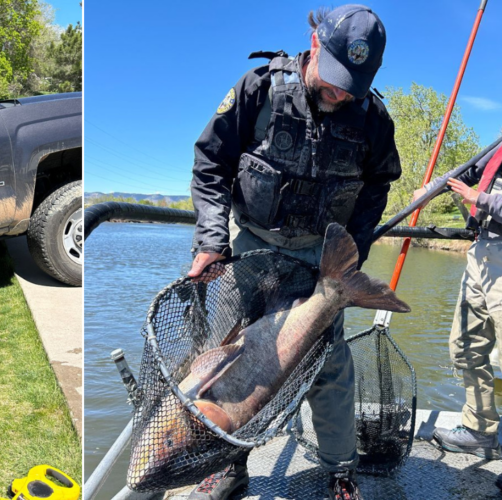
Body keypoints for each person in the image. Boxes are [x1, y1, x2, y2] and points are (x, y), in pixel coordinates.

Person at [186, 5, 401, 500]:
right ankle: (228, 466)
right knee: (232, 366)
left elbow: (378, 185)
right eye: (334, 77)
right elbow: (210, 165)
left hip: (319, 259)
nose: (340, 92)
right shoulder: (257, 88)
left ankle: (340, 468)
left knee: (329, 367)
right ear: (314, 44)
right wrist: (211, 242)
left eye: (353, 84)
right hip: (249, 251)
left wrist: (354, 252)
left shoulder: (373, 118)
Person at [412, 142, 502, 462]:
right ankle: (479, 431)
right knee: (465, 344)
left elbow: (475, 190)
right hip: (482, 252)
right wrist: (429, 190)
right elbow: (466, 171)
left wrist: (480, 198)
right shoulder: (499, 144)